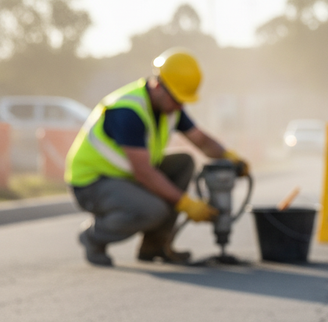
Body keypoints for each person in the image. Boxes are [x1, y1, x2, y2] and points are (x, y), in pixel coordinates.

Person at [65, 48, 249, 266]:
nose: (181, 106)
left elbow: (201, 140)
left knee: (183, 163)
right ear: (157, 85)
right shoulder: (128, 111)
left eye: (184, 101)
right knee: (153, 211)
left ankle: (154, 246)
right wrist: (187, 204)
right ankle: (94, 236)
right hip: (92, 182)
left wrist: (230, 157)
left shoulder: (169, 105)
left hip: (124, 176)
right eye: (177, 99)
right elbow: (144, 173)